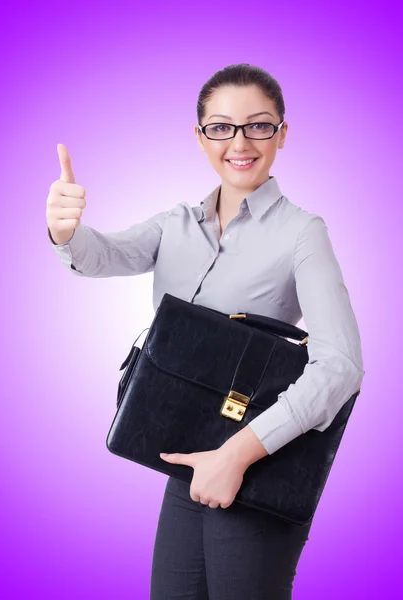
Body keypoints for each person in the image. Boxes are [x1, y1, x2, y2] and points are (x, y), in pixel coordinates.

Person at [46, 63, 365, 599]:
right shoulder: (175, 224)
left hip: (259, 464)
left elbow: (341, 367)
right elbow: (103, 255)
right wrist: (64, 230)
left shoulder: (302, 233)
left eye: (258, 125)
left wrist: (235, 455)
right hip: (189, 460)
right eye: (221, 127)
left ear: (282, 133)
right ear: (200, 138)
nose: (239, 142)